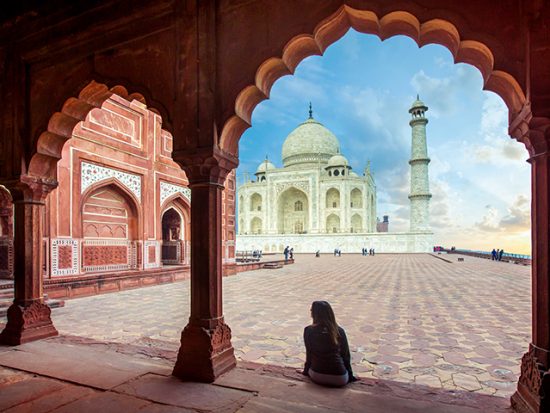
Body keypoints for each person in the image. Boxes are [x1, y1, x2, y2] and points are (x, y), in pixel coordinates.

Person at [302, 301, 357, 387]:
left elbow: (309, 354)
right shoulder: (339, 331)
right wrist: (350, 376)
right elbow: (345, 356)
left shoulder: (308, 330)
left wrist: (306, 372)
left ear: (314, 314)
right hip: (340, 378)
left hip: (316, 375)